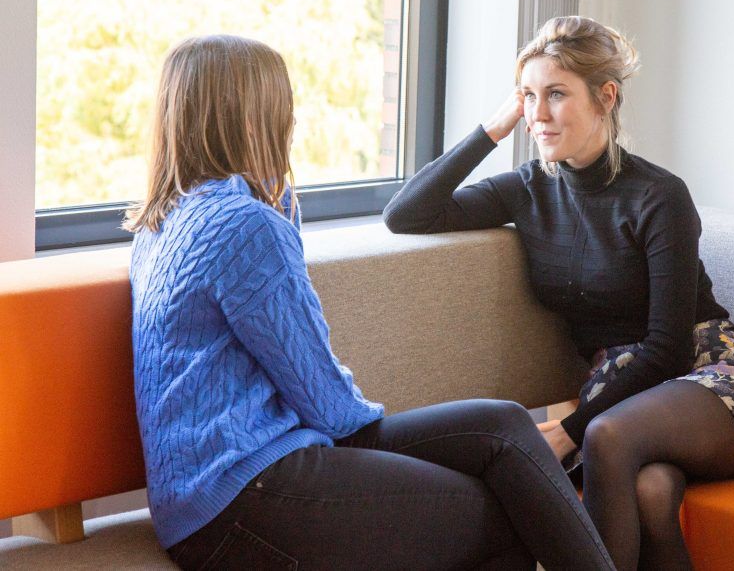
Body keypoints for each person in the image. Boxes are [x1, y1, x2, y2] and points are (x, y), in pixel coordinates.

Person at [125, 35, 616, 571]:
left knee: (501, 426)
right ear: (256, 116)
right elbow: (325, 401)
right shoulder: (244, 226)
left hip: (211, 498)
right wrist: (377, 444)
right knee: (513, 509)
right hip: (244, 498)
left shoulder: (162, 223)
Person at [383, 16, 734, 571]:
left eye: (556, 95)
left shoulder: (659, 196)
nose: (537, 115)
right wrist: (494, 129)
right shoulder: (528, 189)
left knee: (606, 437)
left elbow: (666, 348)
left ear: (606, 97)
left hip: (712, 378)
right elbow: (406, 214)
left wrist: (567, 433)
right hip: (622, 396)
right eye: (528, 97)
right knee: (652, 494)